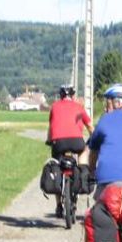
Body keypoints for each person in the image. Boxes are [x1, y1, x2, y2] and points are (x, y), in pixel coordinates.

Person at [47, 84, 93, 216]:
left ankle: (58, 205)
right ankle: (82, 172)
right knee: (83, 152)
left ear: (60, 95)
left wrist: (49, 140)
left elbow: (51, 127)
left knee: (56, 166)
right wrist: (94, 139)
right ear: (73, 96)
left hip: (59, 143)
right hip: (76, 141)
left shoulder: (54, 106)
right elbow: (90, 126)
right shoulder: (79, 107)